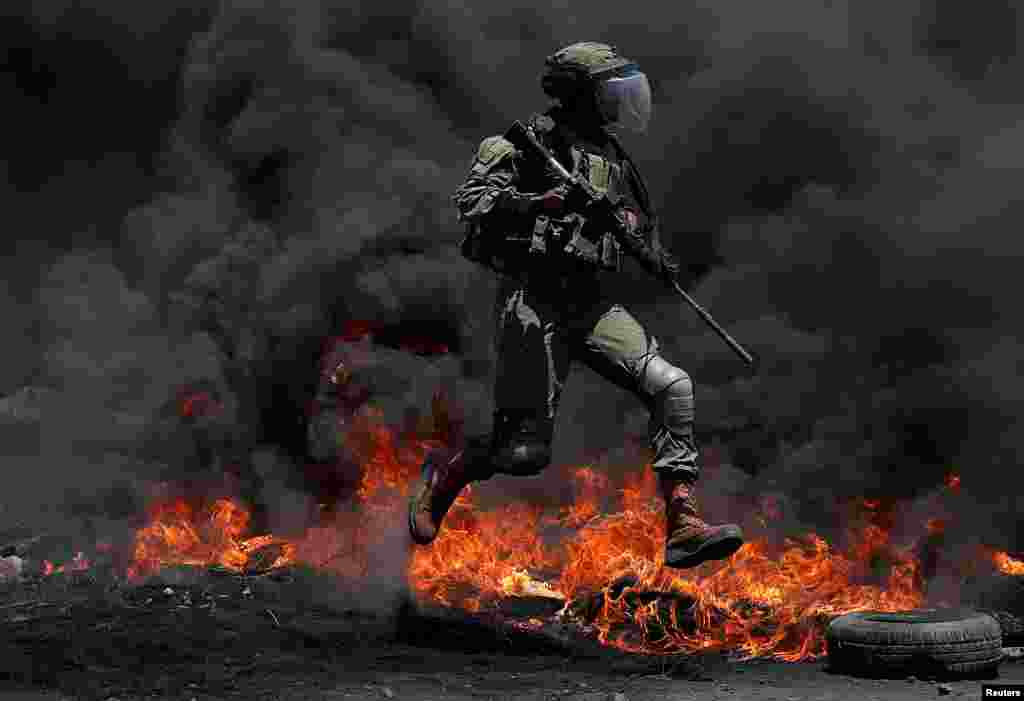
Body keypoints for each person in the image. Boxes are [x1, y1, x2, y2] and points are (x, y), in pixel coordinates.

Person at [408, 42, 743, 569]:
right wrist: (540, 202)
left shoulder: (614, 159)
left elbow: (637, 223)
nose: (619, 105)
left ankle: (682, 523)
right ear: (578, 96)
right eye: (609, 94)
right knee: (523, 454)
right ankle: (443, 477)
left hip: (591, 303)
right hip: (534, 301)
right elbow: (472, 201)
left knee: (673, 387)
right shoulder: (524, 144)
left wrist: (649, 253)